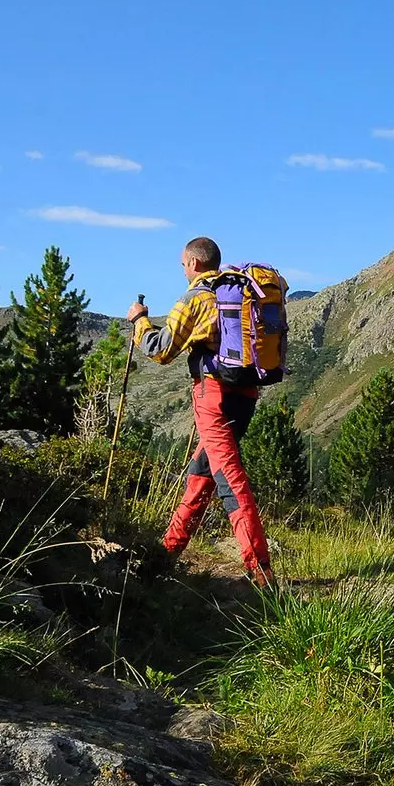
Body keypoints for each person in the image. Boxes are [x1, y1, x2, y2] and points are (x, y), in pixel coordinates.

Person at [126, 236, 274, 586]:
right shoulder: (238, 291)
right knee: (202, 473)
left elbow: (160, 351)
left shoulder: (195, 298)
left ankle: (261, 573)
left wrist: (139, 321)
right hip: (246, 393)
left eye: (182, 264)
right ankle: (167, 551)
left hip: (214, 397)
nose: (183, 269)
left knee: (229, 481)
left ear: (193, 263)